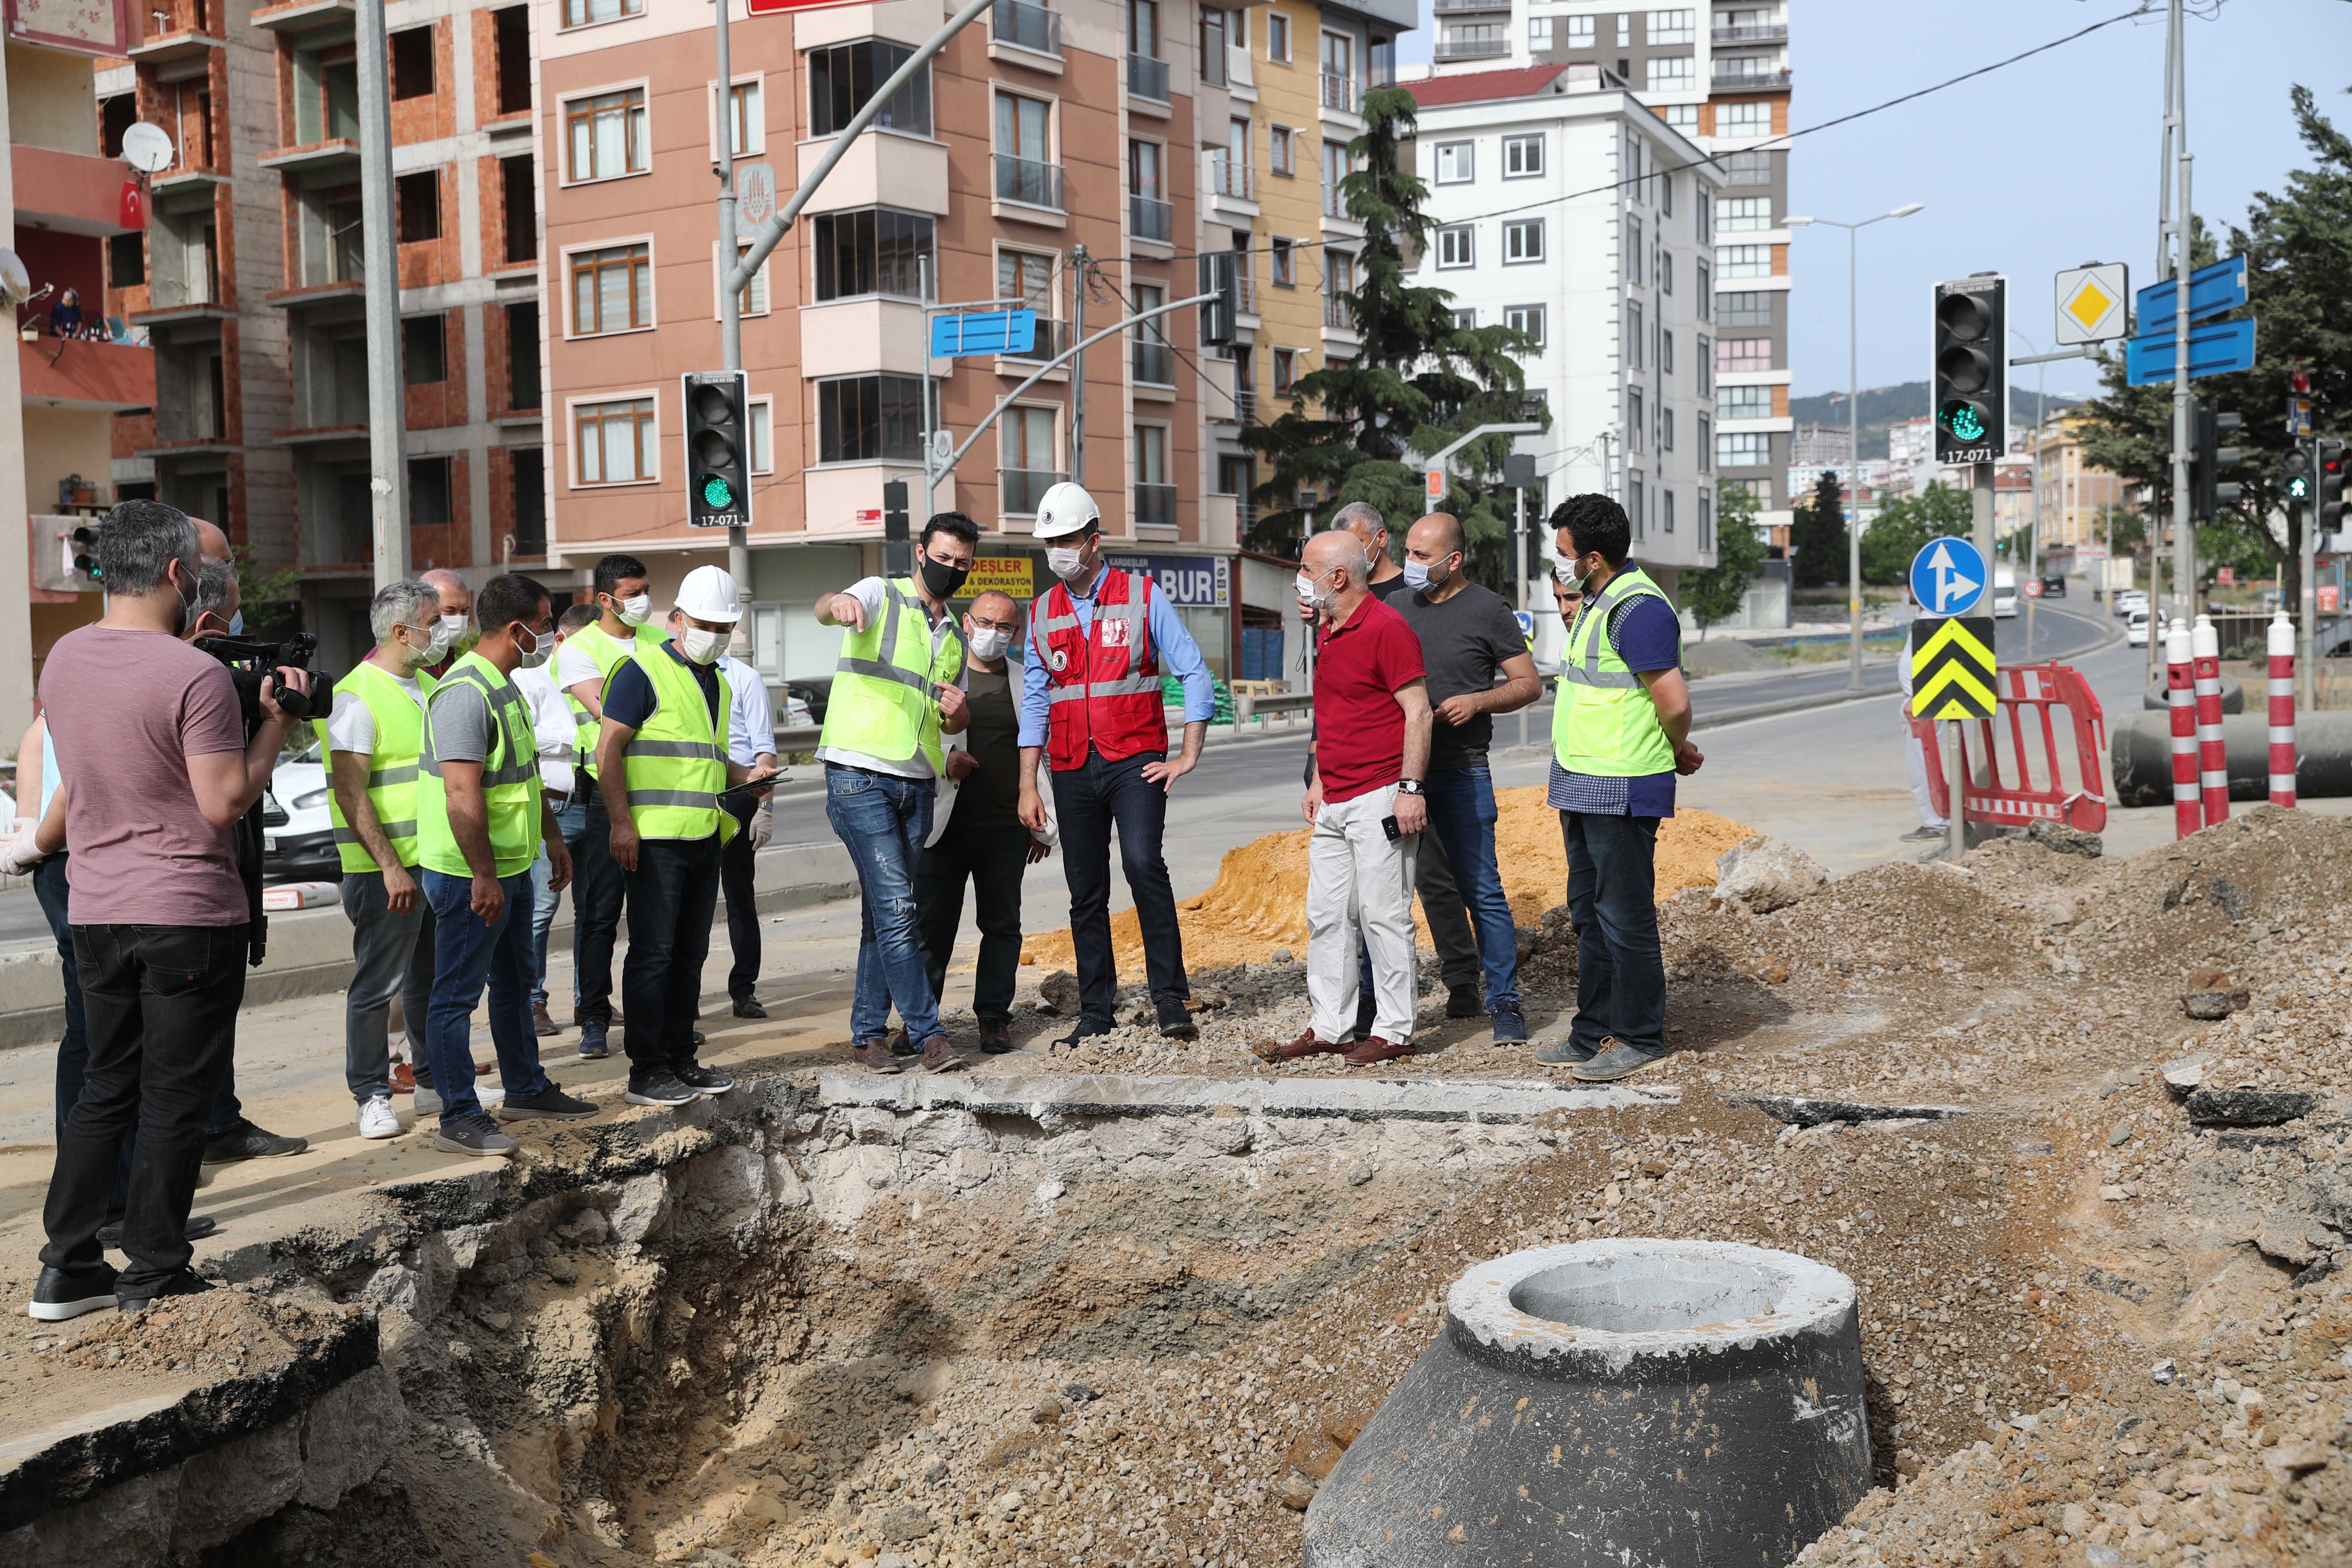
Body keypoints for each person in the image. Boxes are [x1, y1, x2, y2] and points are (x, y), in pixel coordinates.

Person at [28, 500, 312, 1320]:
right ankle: (154, 1267)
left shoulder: (64, 660)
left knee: (105, 1084)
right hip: (186, 909)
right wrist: (274, 726)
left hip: (97, 909)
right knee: (174, 1093)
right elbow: (222, 802)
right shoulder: (191, 675)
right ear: (180, 575)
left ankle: (68, 1266)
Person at [1017, 483, 1214, 1046]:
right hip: (1073, 766)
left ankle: (1170, 999)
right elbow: (1035, 702)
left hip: (1135, 761)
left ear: (1094, 540)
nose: (1058, 550)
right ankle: (1096, 1011)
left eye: (1068, 539)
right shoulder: (1041, 614)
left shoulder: (1143, 596)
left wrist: (1189, 754)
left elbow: (1194, 672)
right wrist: (1028, 785)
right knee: (1085, 890)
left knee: (1143, 863)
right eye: (1050, 541)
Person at [414, 573, 597, 1157]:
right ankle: (459, 1117)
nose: (547, 638)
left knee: (516, 985)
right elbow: (462, 796)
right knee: (455, 998)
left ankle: (525, 1086)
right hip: (473, 874)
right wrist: (484, 877)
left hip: (513, 865)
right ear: (517, 629)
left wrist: (553, 841)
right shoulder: (466, 692)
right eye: (543, 627)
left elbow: (526, 775)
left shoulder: (507, 683)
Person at [1537, 494, 1705, 1082]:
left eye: (1564, 554)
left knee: (1624, 916)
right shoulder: (1598, 601)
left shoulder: (1637, 610)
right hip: (1583, 781)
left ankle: (1640, 1037)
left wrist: (1673, 746)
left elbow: (1674, 701)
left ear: (1594, 557)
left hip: (1621, 784)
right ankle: (1593, 1032)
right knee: (1589, 913)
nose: (1558, 562)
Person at [594, 567, 775, 1106]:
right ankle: (646, 1069)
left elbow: (705, 756)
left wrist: (747, 777)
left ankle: (680, 1058)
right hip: (653, 840)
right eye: (704, 624)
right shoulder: (640, 670)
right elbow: (609, 752)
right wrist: (621, 824)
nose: (714, 634)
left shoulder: (715, 680)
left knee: (690, 954)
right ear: (677, 619)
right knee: (653, 954)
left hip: (702, 836)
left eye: (724, 626)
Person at [1257, 530, 1432, 1068]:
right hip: (1335, 797)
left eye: (1307, 568)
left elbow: (1418, 712)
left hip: (1381, 795)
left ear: (1339, 577)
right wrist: (1318, 781)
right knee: (1328, 915)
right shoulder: (1330, 629)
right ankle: (1332, 1026)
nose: (1299, 579)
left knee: (1383, 915)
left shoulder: (1386, 628)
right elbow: (1335, 714)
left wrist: (1410, 791)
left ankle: (1395, 1031)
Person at [815, 514, 976, 1074]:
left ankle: (867, 1036)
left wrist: (958, 717)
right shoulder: (881, 595)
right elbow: (828, 605)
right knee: (900, 909)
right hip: (859, 775)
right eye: (944, 557)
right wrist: (837, 605)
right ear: (921, 552)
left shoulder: (954, 636)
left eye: (962, 563)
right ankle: (929, 1034)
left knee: (882, 915)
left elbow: (941, 719)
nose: (951, 569)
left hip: (916, 784)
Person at [1326, 502, 1486, 1027]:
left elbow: (1415, 700)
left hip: (1423, 762)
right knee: (1358, 900)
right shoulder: (1346, 604)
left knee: (1432, 881)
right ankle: (1364, 1003)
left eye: (1351, 543)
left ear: (1376, 541)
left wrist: (1410, 783)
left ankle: (1461, 978)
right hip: (1361, 769)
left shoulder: (1401, 602)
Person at [1394, 513, 1544, 1044]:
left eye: (1421, 556)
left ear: (1453, 560)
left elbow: (1529, 685)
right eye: (1408, 551)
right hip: (1400, 775)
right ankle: (1455, 985)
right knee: (1424, 887)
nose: (1410, 565)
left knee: (1483, 889)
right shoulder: (1395, 608)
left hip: (1462, 770)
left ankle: (1504, 1003)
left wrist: (1478, 701)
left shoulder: (1487, 609)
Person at [325, 579, 446, 1140]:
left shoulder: (426, 684)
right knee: (377, 986)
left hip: (435, 863)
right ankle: (371, 1094)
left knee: (427, 979)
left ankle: (430, 1082)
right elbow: (352, 792)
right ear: (402, 632)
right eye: (434, 621)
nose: (443, 631)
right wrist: (390, 866)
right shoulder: (357, 695)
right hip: (385, 873)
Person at [917, 590, 1050, 1053]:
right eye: (986, 623)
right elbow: (911, 738)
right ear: (967, 624)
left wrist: (1041, 825)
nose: (995, 633)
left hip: (1004, 831)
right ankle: (921, 1023)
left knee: (1002, 925)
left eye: (1006, 627)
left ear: (1017, 633)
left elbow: (1042, 754)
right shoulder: (942, 677)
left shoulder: (1026, 680)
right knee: (933, 928)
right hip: (944, 829)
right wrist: (946, 760)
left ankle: (993, 1018)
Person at [557, 554, 659, 1059]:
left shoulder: (662, 642)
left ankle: (653, 1017)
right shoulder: (580, 649)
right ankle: (593, 1016)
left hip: (662, 792)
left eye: (646, 589)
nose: (642, 599)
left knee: (655, 914)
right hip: (605, 792)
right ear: (605, 598)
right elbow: (610, 712)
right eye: (632, 591)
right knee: (599, 913)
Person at [526, 602, 602, 1032]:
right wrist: (575, 735)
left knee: (595, 911)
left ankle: (589, 1000)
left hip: (595, 804)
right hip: (552, 806)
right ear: (561, 640)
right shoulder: (530, 680)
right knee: (541, 909)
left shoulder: (601, 681)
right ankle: (533, 1001)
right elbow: (523, 736)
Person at [714, 627, 778, 1018]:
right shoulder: (671, 675)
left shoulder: (743, 678)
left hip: (737, 796)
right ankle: (682, 997)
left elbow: (764, 752)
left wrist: (766, 809)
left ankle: (744, 990)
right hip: (689, 797)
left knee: (739, 896)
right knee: (688, 903)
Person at [1896, 593, 1948, 844]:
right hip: (1922, 702)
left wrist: (1918, 697)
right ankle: (1939, 819)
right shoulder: (1931, 618)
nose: (1910, 592)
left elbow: (1936, 664)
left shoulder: (1935, 618)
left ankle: (1936, 821)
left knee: (1924, 765)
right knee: (1924, 764)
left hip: (1924, 704)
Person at [418, 568, 474, 679]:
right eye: (450, 611)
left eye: (464, 611)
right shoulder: (407, 660)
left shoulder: (447, 653)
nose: (460, 618)